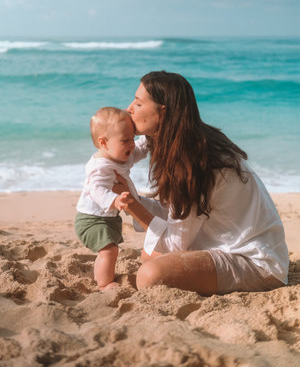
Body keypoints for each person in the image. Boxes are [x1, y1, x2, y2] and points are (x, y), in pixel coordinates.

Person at [113, 71, 289, 295]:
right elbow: (175, 217)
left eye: (138, 103)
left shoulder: (193, 159)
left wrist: (132, 206)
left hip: (257, 263)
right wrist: (131, 197)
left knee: (150, 275)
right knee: (149, 255)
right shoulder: (186, 142)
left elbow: (176, 243)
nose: (129, 108)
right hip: (225, 244)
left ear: (163, 111)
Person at [75, 107, 148, 290]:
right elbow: (96, 189)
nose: (131, 144)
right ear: (104, 142)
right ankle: (104, 284)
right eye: (125, 140)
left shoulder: (121, 154)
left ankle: (104, 277)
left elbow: (139, 149)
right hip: (91, 219)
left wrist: (149, 138)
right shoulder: (100, 166)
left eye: (132, 138)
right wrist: (113, 201)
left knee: (111, 249)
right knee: (109, 251)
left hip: (107, 217)